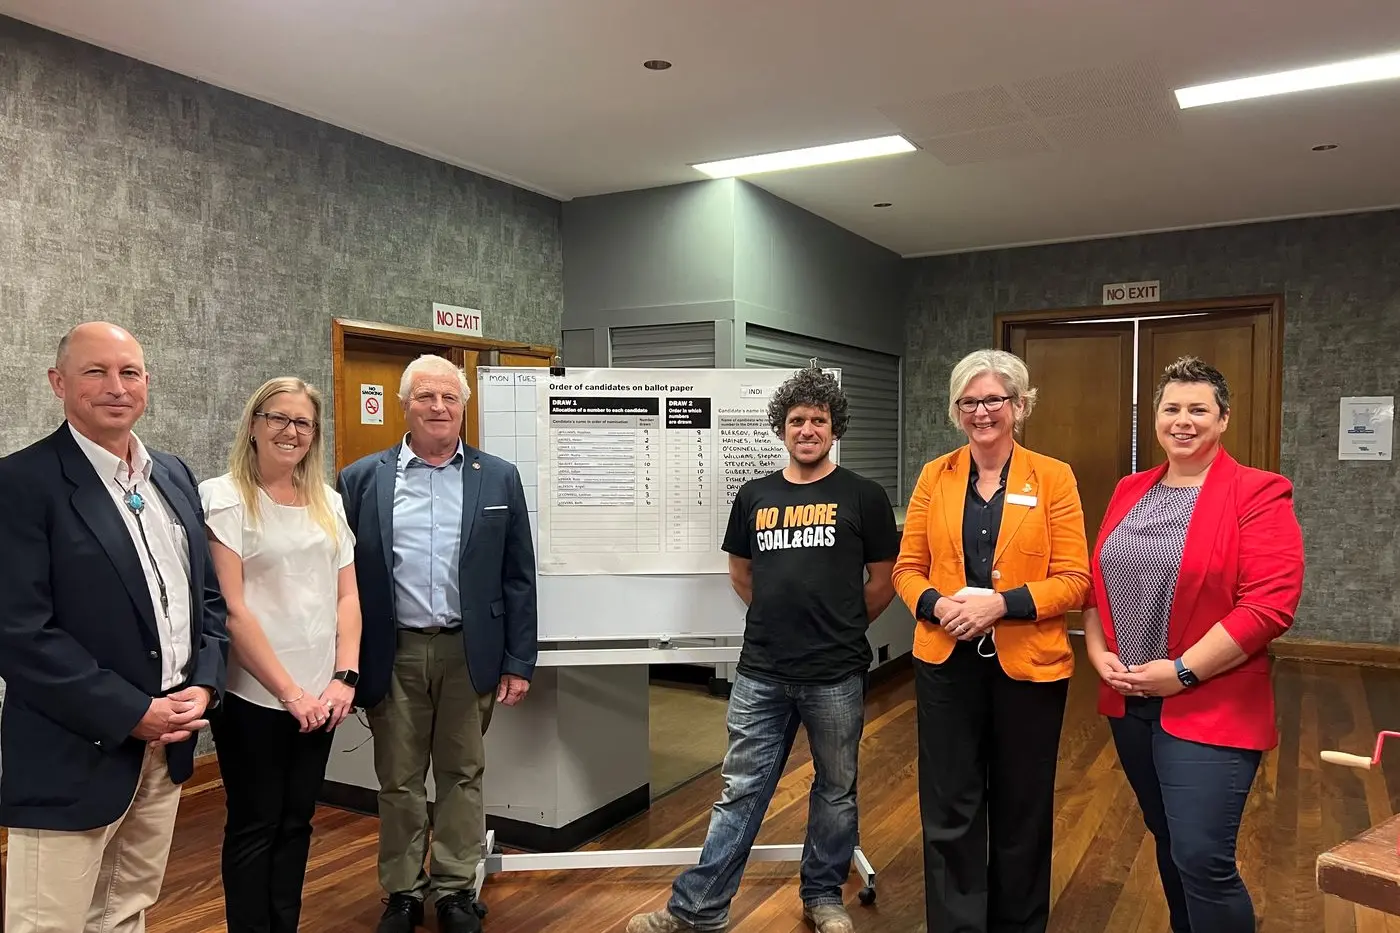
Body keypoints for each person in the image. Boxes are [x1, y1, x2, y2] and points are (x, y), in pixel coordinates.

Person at [627, 367, 901, 933]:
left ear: (834, 428)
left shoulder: (863, 495)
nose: (807, 429)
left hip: (835, 674)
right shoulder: (754, 496)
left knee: (835, 790)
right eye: (797, 420)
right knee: (741, 790)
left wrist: (840, 628)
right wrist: (782, 623)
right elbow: (742, 574)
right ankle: (699, 909)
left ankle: (823, 896)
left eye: (818, 420)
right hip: (762, 673)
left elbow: (882, 580)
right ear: (782, 428)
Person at [0, 321, 228, 933]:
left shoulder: (173, 476)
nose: (116, 387)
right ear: (58, 383)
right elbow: (21, 635)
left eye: (129, 373)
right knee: (49, 922)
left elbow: (205, 600)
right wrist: (133, 711)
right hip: (74, 749)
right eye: (95, 372)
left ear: (147, 383)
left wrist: (202, 685)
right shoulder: (22, 484)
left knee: (126, 911)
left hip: (168, 743)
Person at [1081, 356, 1303, 933]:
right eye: (1171, 409)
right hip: (1130, 700)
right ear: (1154, 418)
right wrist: (1097, 650)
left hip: (1211, 701)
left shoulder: (1258, 492)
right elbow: (1097, 579)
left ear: (1223, 419)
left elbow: (1268, 606)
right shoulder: (1131, 488)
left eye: (1198, 409)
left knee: (1203, 857)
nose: (1183, 420)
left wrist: (1180, 672)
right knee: (1171, 841)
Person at [336, 354, 537, 933]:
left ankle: (453, 890)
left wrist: (518, 660)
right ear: (405, 405)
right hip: (391, 652)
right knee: (398, 779)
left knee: (461, 774)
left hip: (468, 651)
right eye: (426, 396)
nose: (439, 408)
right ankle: (401, 891)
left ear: (464, 406)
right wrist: (344, 663)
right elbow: (341, 577)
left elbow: (518, 575)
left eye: (450, 398)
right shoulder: (360, 479)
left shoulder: (497, 477)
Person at [893, 348, 1090, 933]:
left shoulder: (1053, 477)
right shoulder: (936, 475)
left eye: (994, 400)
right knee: (949, 808)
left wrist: (1001, 605)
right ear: (957, 411)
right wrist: (938, 606)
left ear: (1020, 406)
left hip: (1028, 667)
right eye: (970, 402)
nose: (982, 412)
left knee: (1021, 811)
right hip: (945, 660)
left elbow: (1075, 580)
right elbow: (908, 568)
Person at [199, 377, 362, 933]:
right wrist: (289, 693)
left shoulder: (328, 503)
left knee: (297, 822)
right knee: (255, 823)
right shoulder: (222, 498)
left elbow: (347, 595)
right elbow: (233, 610)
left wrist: (344, 677)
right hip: (254, 696)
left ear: (314, 435)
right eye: (279, 418)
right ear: (254, 424)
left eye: (303, 423)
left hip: (322, 697)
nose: (291, 431)